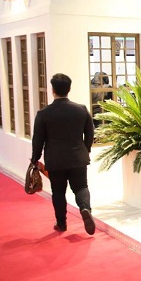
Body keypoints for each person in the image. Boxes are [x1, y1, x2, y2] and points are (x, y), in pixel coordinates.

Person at [31, 73, 96, 235]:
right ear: (69, 89)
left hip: (55, 160)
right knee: (81, 187)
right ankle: (85, 209)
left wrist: (35, 159)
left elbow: (38, 140)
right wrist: (86, 149)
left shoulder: (43, 114)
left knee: (58, 192)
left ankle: (61, 223)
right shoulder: (81, 110)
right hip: (78, 157)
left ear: (53, 90)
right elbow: (90, 133)